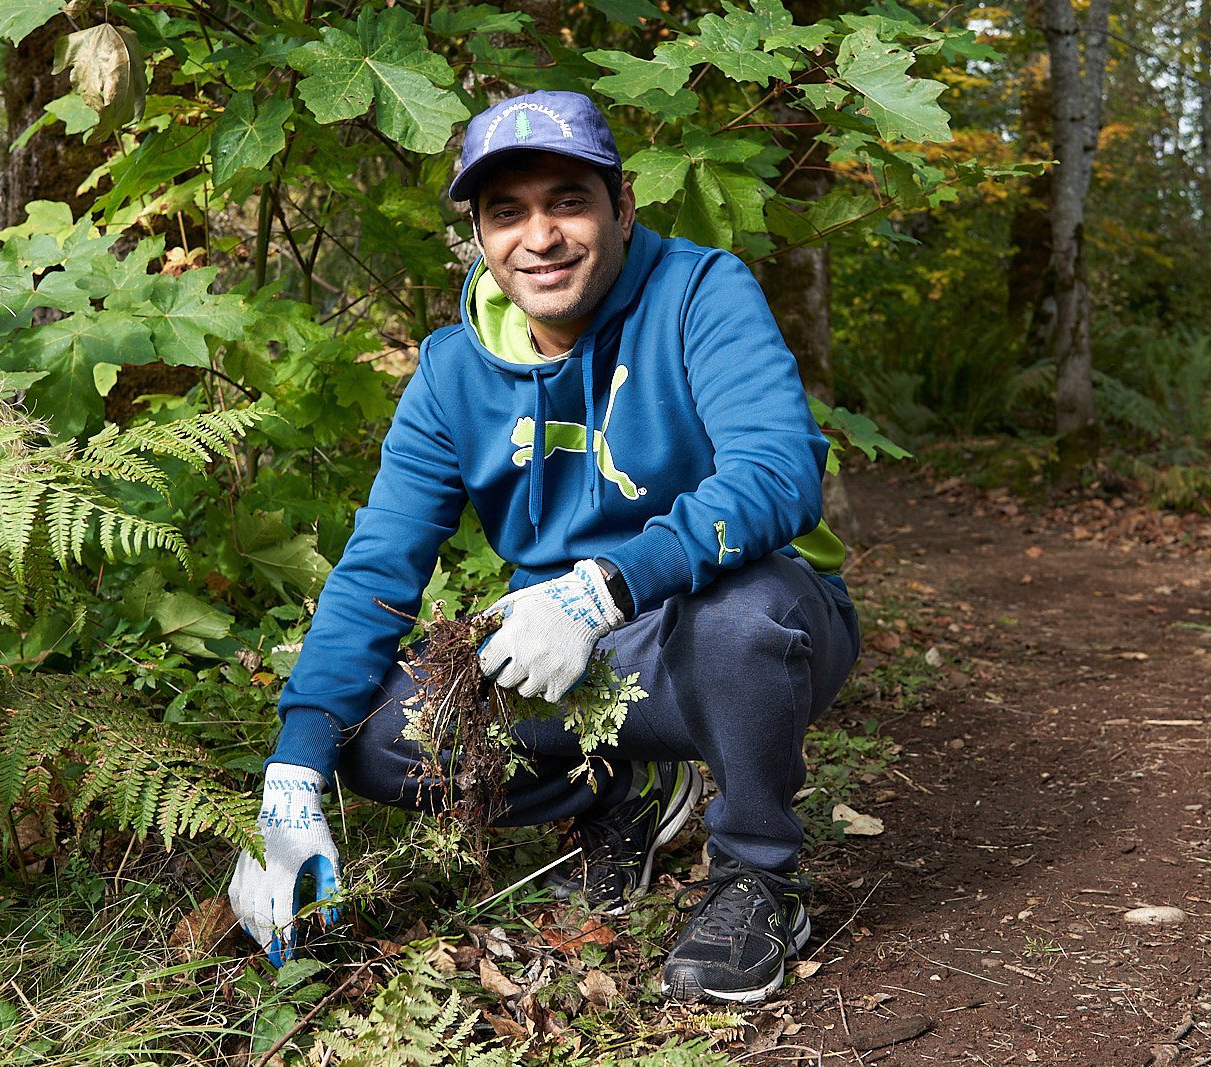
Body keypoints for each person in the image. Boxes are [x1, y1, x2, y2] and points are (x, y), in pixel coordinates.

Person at [228, 91, 861, 1005]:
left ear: (621, 208)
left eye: (568, 200)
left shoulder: (700, 291)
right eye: (506, 213)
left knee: (742, 622)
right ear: (481, 237)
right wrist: (293, 770)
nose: (541, 237)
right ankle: (621, 796)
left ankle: (758, 876)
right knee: (374, 739)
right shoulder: (452, 371)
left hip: (726, 618)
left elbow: (777, 474)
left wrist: (602, 586)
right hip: (564, 655)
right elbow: (379, 568)